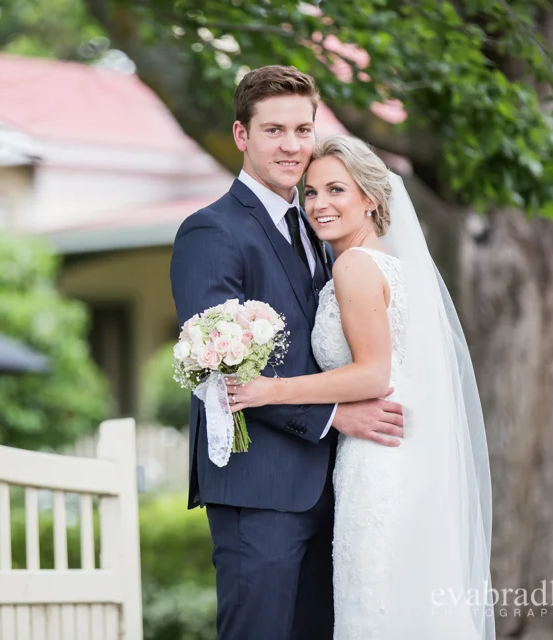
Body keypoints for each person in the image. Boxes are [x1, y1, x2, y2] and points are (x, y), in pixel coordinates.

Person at [169, 66, 406, 640]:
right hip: (260, 491)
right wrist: (333, 415)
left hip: (337, 486)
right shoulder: (211, 232)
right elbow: (219, 368)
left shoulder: (323, 228)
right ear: (241, 135)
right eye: (274, 130)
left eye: (303, 129)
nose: (292, 145)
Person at [225, 134, 494, 639]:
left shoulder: (353, 265)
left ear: (370, 198)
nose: (319, 205)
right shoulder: (396, 267)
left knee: (374, 603)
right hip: (401, 452)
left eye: (335, 190)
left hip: (378, 459)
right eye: (310, 193)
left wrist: (270, 389)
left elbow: (374, 374)